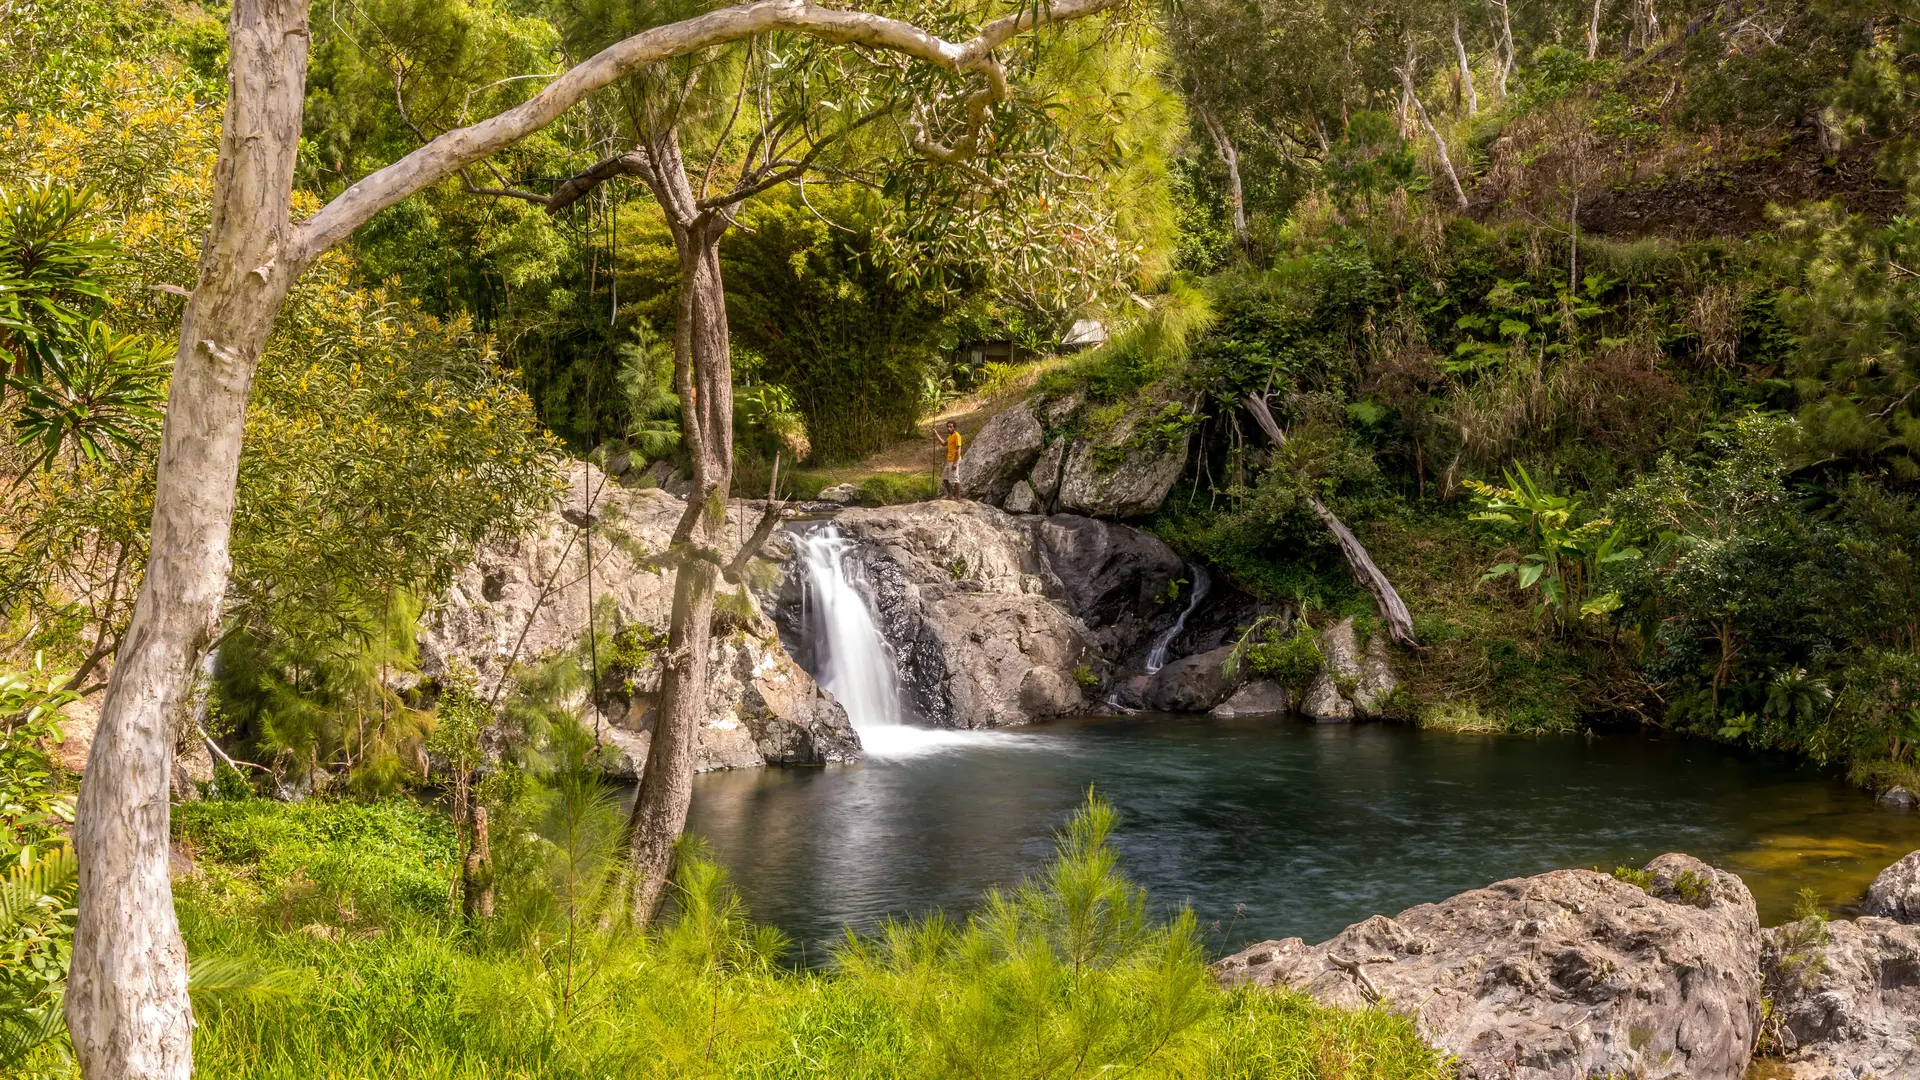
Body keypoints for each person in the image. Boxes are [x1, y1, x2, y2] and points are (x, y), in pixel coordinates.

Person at [938, 420, 963, 499]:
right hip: (949, 460)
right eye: (948, 427)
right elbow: (943, 443)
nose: (949, 428)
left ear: (954, 427)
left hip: (954, 459)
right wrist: (936, 434)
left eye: (951, 427)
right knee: (945, 478)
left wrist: (955, 462)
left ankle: (958, 496)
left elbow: (958, 449)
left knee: (955, 478)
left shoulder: (956, 435)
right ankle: (950, 494)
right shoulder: (950, 436)